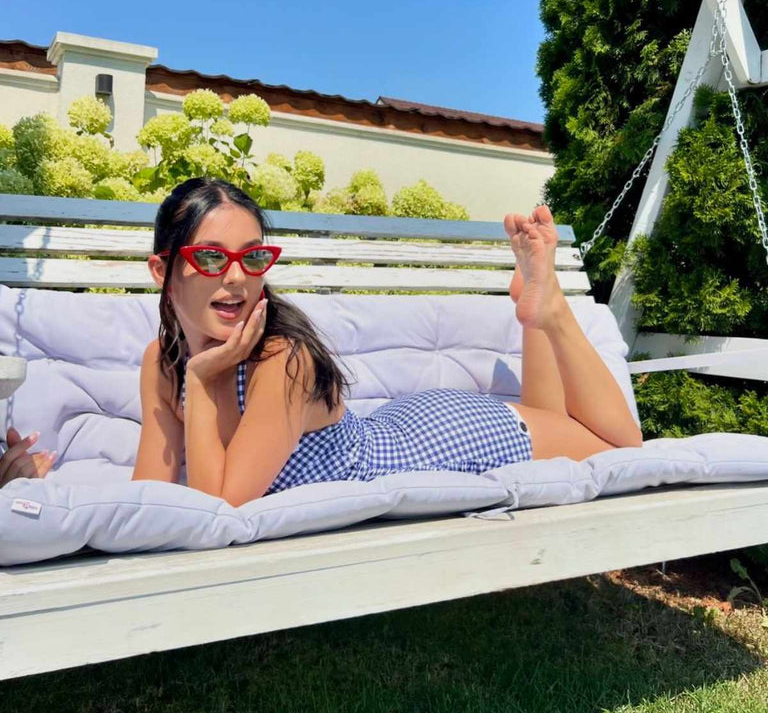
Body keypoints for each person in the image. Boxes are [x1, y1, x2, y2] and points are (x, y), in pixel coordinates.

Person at [0, 177, 642, 497]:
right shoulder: (160, 360)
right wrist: (36, 487)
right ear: (164, 273)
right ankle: (534, 311)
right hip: (398, 425)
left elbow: (219, 505)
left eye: (253, 259)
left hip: (437, 442)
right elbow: (152, 496)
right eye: (210, 259)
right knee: (555, 423)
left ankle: (550, 309)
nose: (235, 280)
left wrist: (199, 381)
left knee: (615, 444)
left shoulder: (283, 357)